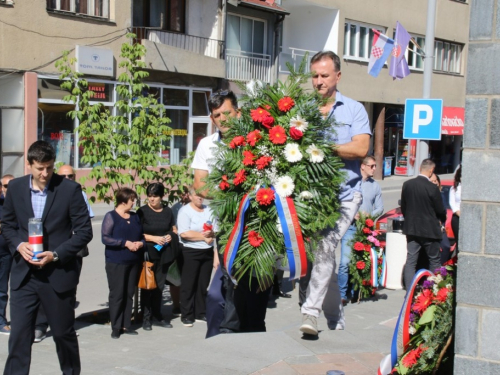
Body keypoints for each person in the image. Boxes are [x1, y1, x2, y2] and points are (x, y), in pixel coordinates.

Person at [2, 140, 93, 375]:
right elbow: (9, 225)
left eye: (49, 168)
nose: (45, 173)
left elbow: (84, 232)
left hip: (57, 275)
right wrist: (19, 244)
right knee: (20, 337)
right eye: (40, 168)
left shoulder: (69, 190)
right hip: (24, 275)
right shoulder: (15, 188)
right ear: (29, 165)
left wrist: (55, 255)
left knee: (63, 334)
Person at [300, 51, 371, 336]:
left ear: (337, 77)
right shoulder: (302, 110)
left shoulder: (354, 110)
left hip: (345, 196)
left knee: (326, 247)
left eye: (324, 75)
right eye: (315, 75)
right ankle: (334, 312)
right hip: (311, 198)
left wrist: (323, 150)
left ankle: (310, 313)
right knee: (322, 256)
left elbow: (360, 149)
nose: (318, 81)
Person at [193, 90, 241, 337]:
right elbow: (199, 185)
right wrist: (231, 191)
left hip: (255, 226)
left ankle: (240, 331)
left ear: (238, 112)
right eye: (216, 115)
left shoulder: (254, 140)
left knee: (247, 291)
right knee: (226, 283)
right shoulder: (206, 145)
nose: (222, 119)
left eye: (226, 113)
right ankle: (223, 334)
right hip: (225, 225)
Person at [34, 164, 95, 343]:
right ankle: (40, 325)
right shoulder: (48, 193)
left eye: (71, 176)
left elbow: (85, 224)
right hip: (49, 249)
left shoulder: (79, 194)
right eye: (64, 176)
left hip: (73, 250)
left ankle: (65, 326)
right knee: (44, 286)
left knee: (68, 289)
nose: (68, 179)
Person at [338, 155, 383, 305]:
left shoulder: (374, 185)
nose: (375, 169)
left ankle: (355, 291)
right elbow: (338, 203)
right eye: (372, 166)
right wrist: (351, 213)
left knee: (360, 262)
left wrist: (370, 215)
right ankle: (341, 294)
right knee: (345, 262)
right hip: (350, 227)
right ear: (362, 166)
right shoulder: (349, 182)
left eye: (375, 166)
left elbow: (380, 207)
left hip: (365, 230)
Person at [102, 188, 144, 339]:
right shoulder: (111, 216)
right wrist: (124, 243)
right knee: (117, 294)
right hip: (116, 261)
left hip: (133, 261)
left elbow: (142, 235)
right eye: (131, 200)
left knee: (129, 294)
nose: (133, 202)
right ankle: (116, 326)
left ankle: (127, 324)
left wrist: (141, 243)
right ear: (123, 200)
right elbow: (105, 238)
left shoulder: (134, 217)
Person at [137, 182, 180, 330]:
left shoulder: (167, 211)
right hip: (148, 254)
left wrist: (169, 236)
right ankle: (146, 318)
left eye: (155, 196)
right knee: (148, 286)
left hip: (164, 254)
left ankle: (157, 315)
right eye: (149, 196)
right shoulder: (142, 211)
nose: (152, 199)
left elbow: (173, 229)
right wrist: (153, 238)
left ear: (162, 197)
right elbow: (137, 233)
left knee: (159, 286)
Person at [401, 159, 446, 291]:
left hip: (412, 229)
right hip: (430, 231)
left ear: (420, 168)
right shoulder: (432, 187)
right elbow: (440, 210)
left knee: (411, 261)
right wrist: (441, 219)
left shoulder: (407, 184)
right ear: (431, 170)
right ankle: (432, 291)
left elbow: (404, 207)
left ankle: (409, 292)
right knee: (434, 261)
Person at [177, 187, 217, 327]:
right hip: (190, 251)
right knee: (189, 284)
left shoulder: (209, 210)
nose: (200, 198)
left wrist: (211, 237)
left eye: (202, 195)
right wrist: (203, 238)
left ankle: (200, 312)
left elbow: (215, 230)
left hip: (207, 251)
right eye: (197, 195)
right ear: (190, 196)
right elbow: (184, 233)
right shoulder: (185, 211)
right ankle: (187, 315)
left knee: (203, 283)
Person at [0, 174, 14, 335]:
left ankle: (1, 321)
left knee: (3, 290)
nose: (8, 189)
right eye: (5, 186)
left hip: (8, 254)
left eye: (11, 186)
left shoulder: (17, 205)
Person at [430, 173, 452, 264]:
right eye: (432, 181)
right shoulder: (427, 195)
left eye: (436, 181)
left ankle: (440, 268)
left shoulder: (441, 195)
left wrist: (442, 222)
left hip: (440, 227)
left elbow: (443, 212)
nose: (435, 183)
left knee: (446, 246)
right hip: (429, 227)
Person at [449, 164, 461, 251]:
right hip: (457, 217)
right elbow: (452, 204)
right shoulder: (454, 188)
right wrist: (459, 213)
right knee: (459, 241)